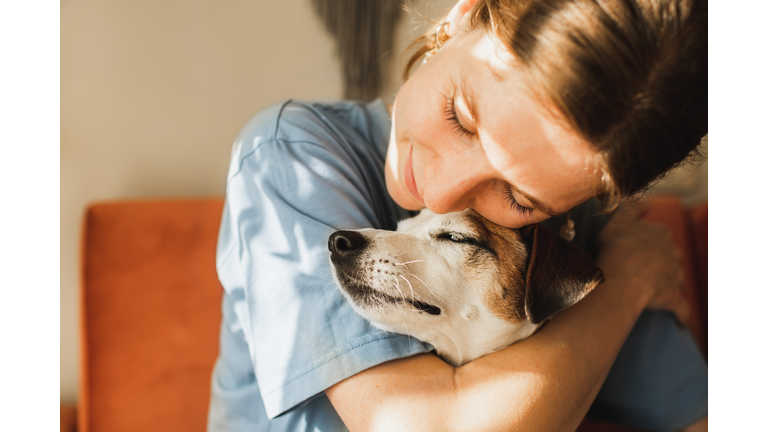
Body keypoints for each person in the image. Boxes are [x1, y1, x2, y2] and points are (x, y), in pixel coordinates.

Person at [207, 0, 708, 430]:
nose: (441, 195)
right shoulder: (291, 155)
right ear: (464, 15)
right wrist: (625, 286)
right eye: (463, 118)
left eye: (518, 197)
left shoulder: (571, 236)